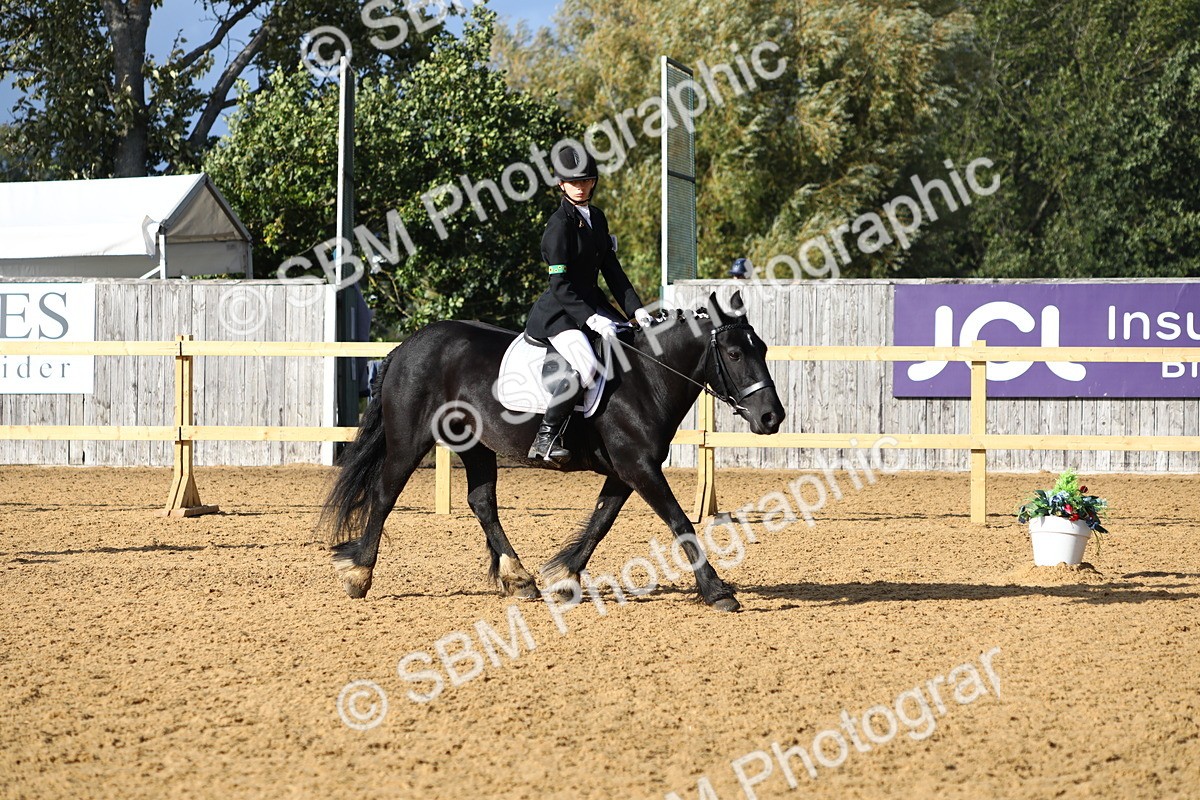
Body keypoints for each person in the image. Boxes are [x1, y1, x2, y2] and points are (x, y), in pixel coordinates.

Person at [524, 144, 653, 462]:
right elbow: (560, 285)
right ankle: (546, 437)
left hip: (593, 305)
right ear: (561, 184)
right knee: (585, 365)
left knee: (629, 345)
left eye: (586, 181)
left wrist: (636, 310)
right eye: (574, 182)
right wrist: (591, 319)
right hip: (560, 312)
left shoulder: (596, 218)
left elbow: (612, 270)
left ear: (593, 182)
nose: (580, 187)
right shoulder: (558, 227)